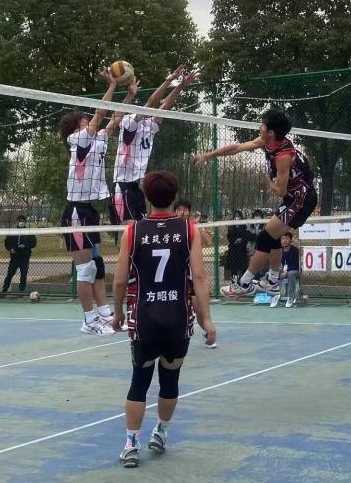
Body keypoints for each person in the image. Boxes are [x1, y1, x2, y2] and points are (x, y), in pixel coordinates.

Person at [112, 170, 217, 468]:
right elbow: (199, 277)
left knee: (139, 381)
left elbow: (119, 280)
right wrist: (207, 319)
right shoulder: (189, 229)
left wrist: (117, 312)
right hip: (177, 318)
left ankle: (131, 444)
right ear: (175, 197)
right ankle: (161, 431)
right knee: (170, 379)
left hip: (144, 318)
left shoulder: (132, 231)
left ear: (146, 196)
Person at [193, 110, 318, 298]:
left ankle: (244, 284)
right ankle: (273, 283)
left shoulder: (283, 156)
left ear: (271, 132)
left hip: (301, 200)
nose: (259, 127)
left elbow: (281, 191)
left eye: (263, 125)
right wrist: (208, 155)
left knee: (265, 238)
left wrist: (269, 182)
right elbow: (237, 147)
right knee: (273, 237)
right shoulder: (267, 142)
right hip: (294, 198)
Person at [58, 70, 118, 336]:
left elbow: (113, 119)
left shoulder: (94, 142)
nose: (89, 125)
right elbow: (101, 114)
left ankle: (105, 314)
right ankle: (88, 320)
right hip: (75, 211)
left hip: (88, 210)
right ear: (75, 130)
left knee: (97, 266)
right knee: (85, 269)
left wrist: (128, 95)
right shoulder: (77, 140)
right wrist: (111, 86)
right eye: (85, 123)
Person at [109, 67, 198, 227]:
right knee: (128, 229)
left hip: (137, 185)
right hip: (122, 184)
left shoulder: (150, 126)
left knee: (140, 227)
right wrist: (169, 79)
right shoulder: (128, 123)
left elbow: (165, 105)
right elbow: (151, 102)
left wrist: (181, 85)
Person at [3, 215, 37, 294]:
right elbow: (7, 243)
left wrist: (25, 246)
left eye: (23, 221)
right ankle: (4, 289)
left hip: (25, 257)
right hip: (15, 257)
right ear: (17, 222)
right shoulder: (12, 232)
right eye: (20, 221)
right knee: (10, 274)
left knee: (23, 275)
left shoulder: (29, 232)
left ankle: (21, 290)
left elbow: (33, 243)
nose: (21, 223)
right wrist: (11, 249)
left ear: (25, 222)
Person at [225, 210, 251, 284]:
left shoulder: (244, 226)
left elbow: (246, 237)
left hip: (242, 250)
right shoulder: (231, 227)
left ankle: (242, 283)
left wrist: (241, 239)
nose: (237, 217)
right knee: (232, 267)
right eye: (235, 216)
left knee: (242, 267)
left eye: (238, 216)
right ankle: (232, 282)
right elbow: (229, 237)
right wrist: (235, 240)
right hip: (233, 250)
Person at [279, 232, 301, 307]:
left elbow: (296, 265)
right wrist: (280, 270)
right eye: (283, 238)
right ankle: (274, 296)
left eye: (287, 238)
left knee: (291, 274)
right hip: (283, 271)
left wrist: (286, 271)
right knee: (270, 273)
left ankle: (290, 297)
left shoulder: (295, 250)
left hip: (294, 271)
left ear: (291, 240)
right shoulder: (279, 250)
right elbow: (277, 263)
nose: (284, 240)